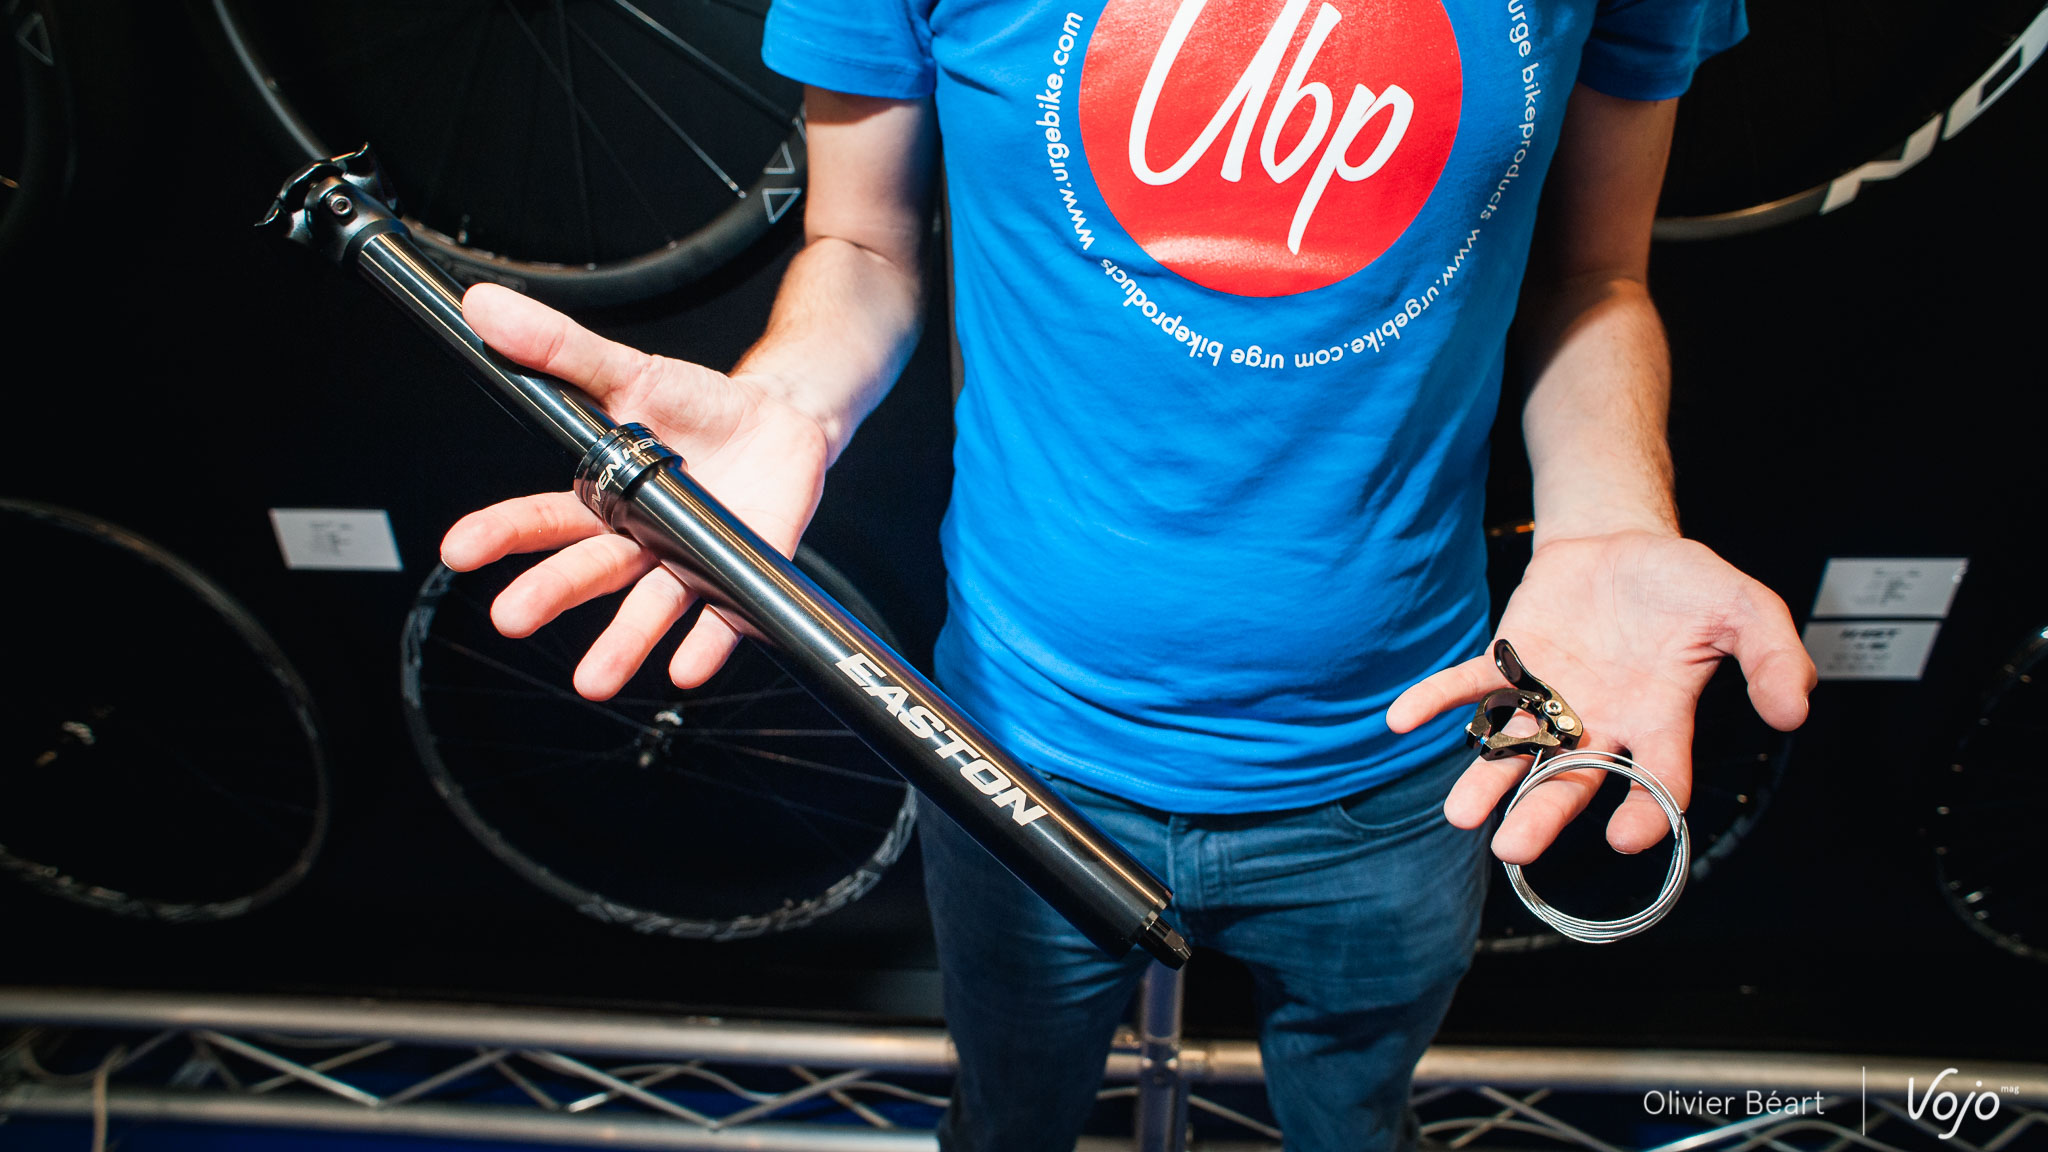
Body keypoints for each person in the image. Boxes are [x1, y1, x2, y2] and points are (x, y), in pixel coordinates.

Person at [439, 0, 1819, 1146]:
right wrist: (788, 399)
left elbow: (1595, 275)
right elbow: (860, 244)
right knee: (1009, 1120)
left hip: (1405, 769)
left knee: (1355, 1121)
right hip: (1020, 756)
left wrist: (1612, 517)